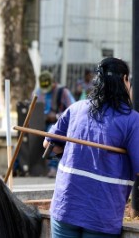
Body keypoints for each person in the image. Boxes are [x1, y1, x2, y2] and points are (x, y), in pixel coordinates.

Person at [43, 57, 139, 237]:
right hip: (102, 214)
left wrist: (70, 150)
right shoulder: (132, 120)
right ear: (125, 80)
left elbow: (48, 144)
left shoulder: (76, 108)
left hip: (65, 207)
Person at [34, 70, 75, 178]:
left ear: (53, 82)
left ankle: (53, 167)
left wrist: (56, 116)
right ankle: (19, 167)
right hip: (42, 122)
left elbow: (73, 110)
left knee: (51, 136)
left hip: (58, 123)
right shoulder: (39, 92)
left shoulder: (63, 92)